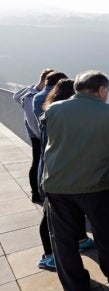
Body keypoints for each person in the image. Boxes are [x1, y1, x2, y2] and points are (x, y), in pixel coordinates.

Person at [41, 70, 109, 291]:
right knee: (105, 231)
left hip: (57, 184)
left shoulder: (52, 110)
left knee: (64, 241)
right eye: (107, 91)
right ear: (101, 90)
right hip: (96, 186)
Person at [36, 79, 95, 271]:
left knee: (72, 209)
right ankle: (49, 256)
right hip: (52, 173)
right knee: (49, 216)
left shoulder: (54, 112)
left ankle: (80, 239)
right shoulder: (54, 115)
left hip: (59, 173)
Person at [12, 68, 53, 203]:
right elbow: (33, 121)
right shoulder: (33, 97)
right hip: (37, 136)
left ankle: (40, 191)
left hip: (37, 134)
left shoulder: (30, 91)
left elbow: (15, 97)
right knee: (37, 163)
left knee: (38, 162)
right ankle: (36, 193)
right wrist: (43, 139)